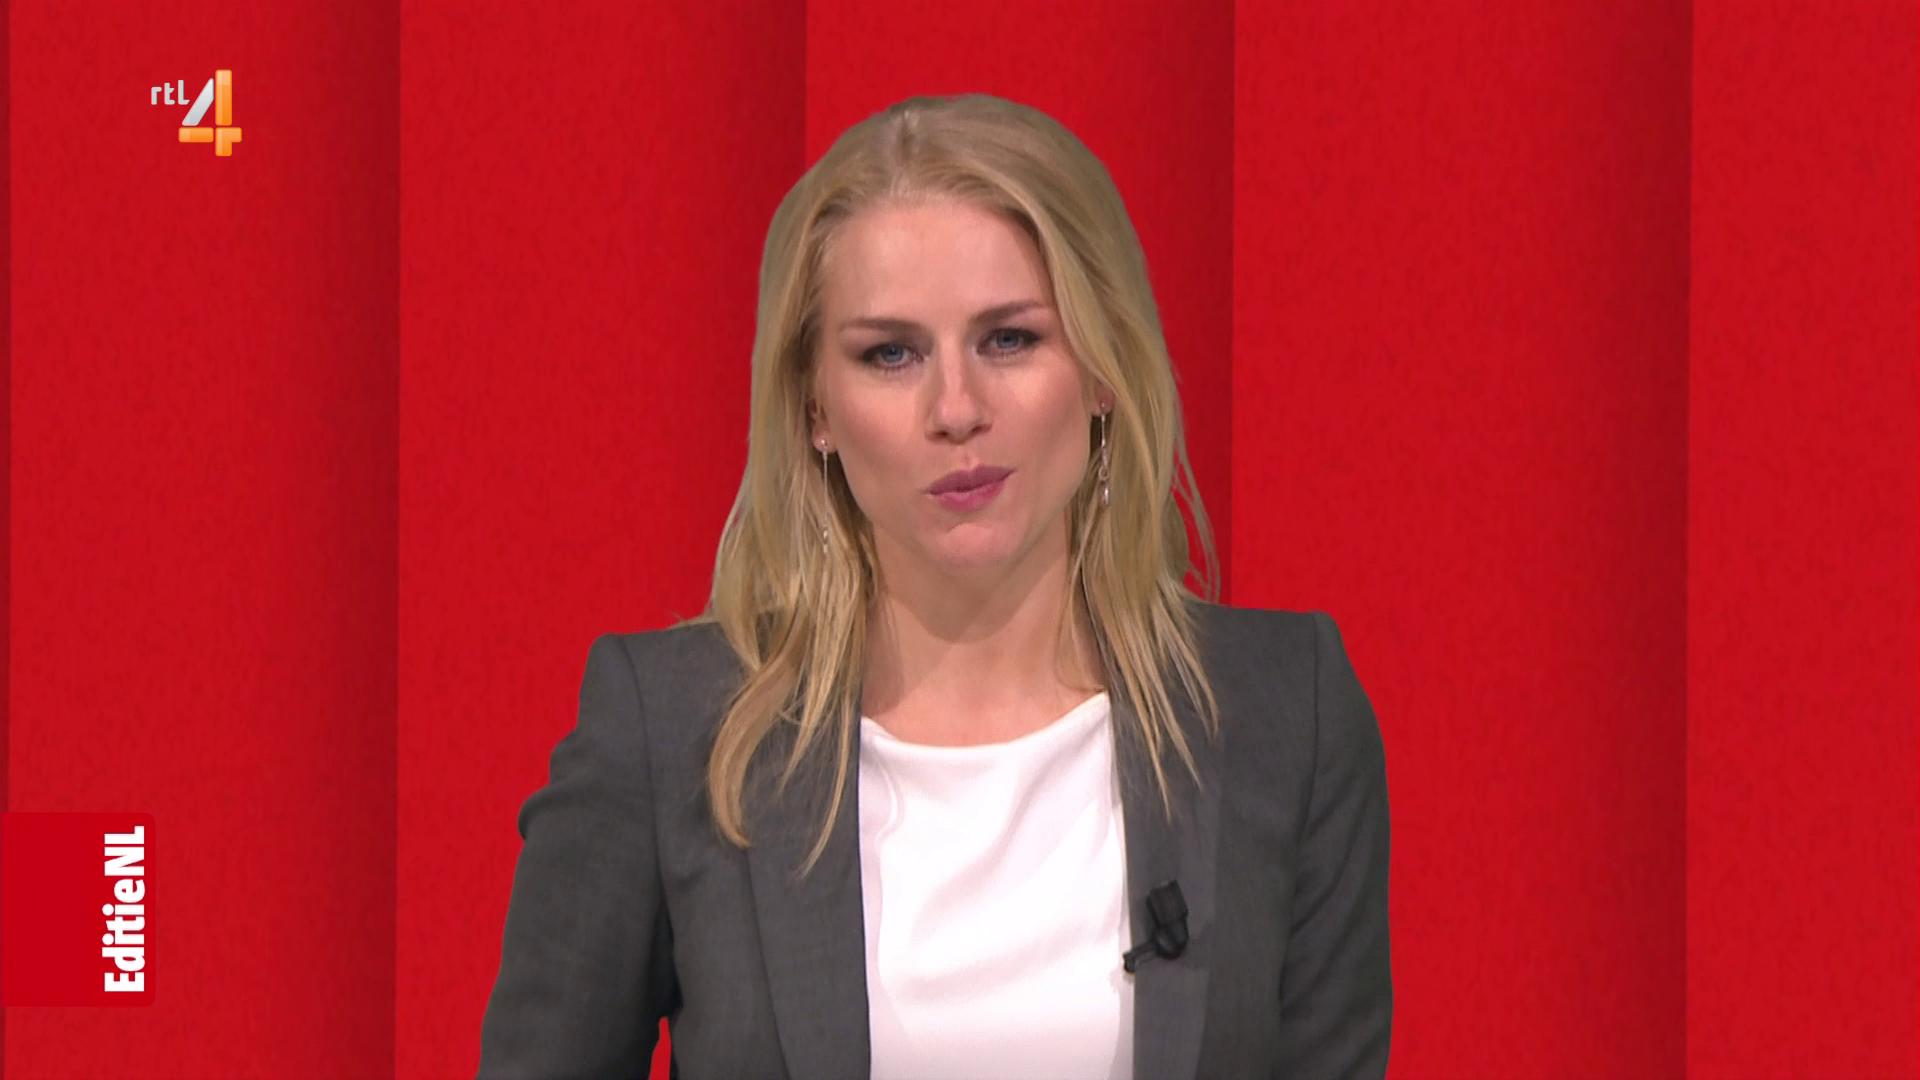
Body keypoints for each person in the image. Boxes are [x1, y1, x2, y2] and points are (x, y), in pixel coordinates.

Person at [478, 92, 1390, 1079]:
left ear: (1103, 371)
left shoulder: (1283, 715)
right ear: (815, 408)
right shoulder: (670, 734)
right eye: (891, 354)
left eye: (1010, 340)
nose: (956, 408)